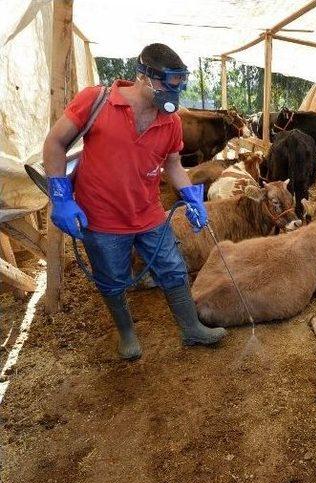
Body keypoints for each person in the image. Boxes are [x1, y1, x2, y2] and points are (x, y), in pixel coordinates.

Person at [43, 43, 226, 361]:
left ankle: (191, 328)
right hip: (101, 219)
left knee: (173, 268)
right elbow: (55, 142)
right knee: (112, 278)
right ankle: (127, 334)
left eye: (180, 82)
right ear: (144, 77)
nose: (176, 90)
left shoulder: (171, 122)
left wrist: (191, 196)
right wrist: (60, 196)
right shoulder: (96, 100)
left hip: (149, 213)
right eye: (169, 82)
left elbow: (172, 164)